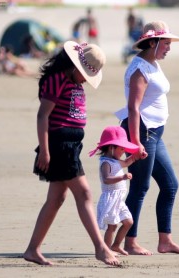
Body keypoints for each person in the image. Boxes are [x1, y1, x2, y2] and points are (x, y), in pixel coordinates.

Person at [23, 41, 120, 266]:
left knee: (56, 199)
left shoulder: (76, 83)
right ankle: (100, 247)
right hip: (59, 145)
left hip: (72, 147)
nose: (86, 78)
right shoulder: (56, 79)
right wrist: (45, 151)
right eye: (85, 73)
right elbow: (42, 116)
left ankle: (32, 249)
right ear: (74, 66)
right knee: (84, 193)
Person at [115, 21, 179, 255]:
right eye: (166, 43)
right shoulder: (139, 68)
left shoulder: (153, 63)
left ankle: (165, 241)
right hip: (142, 132)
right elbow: (133, 108)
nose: (169, 48)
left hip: (155, 133)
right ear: (153, 42)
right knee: (140, 186)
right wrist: (135, 143)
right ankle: (128, 241)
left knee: (170, 185)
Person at [89, 126, 144, 255]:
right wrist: (122, 177)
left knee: (128, 222)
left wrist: (137, 156)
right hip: (110, 199)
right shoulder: (106, 163)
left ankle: (116, 245)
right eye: (121, 149)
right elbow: (106, 179)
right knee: (112, 226)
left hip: (119, 200)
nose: (123, 151)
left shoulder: (116, 161)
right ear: (111, 148)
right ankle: (106, 250)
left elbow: (127, 162)